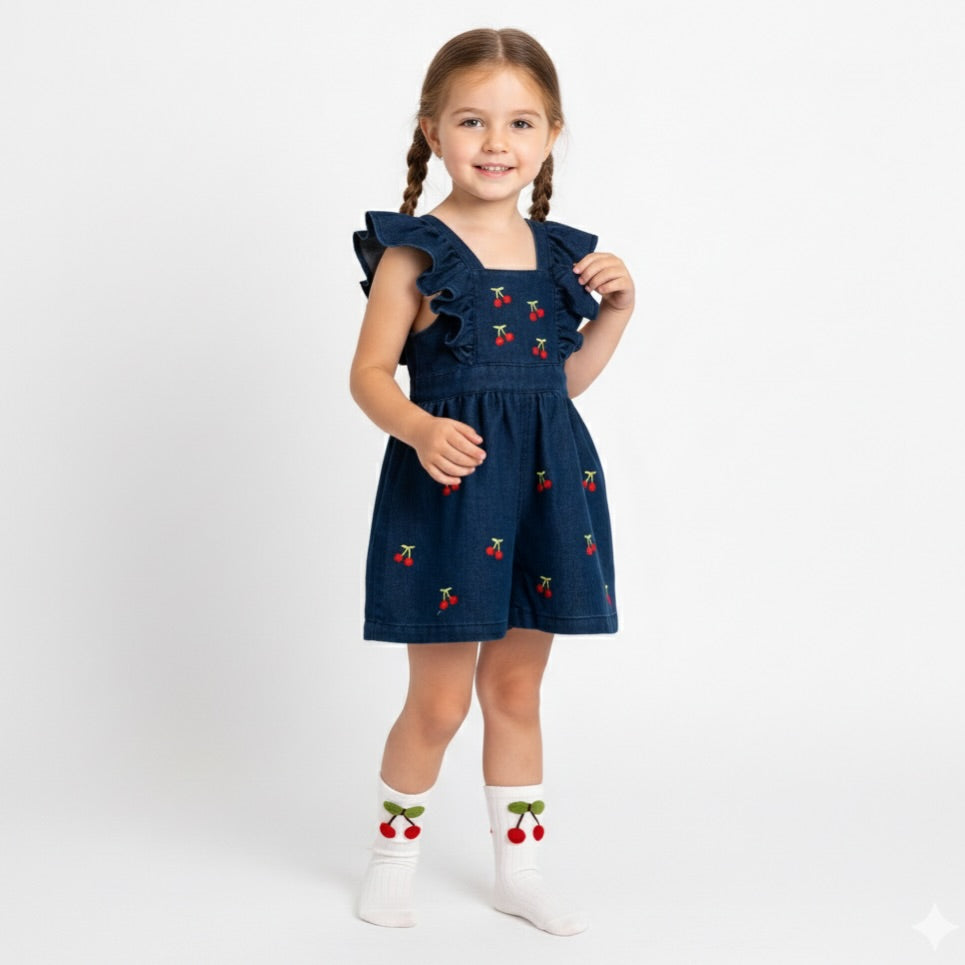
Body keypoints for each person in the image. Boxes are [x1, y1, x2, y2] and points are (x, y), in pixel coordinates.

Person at [349, 27, 634, 935]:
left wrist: (615, 313)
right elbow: (368, 375)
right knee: (437, 702)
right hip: (449, 493)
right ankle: (391, 860)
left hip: (545, 491)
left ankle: (520, 872)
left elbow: (559, 384)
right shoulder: (415, 254)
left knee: (514, 691)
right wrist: (420, 427)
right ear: (432, 131)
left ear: (550, 134)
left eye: (519, 122)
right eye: (472, 120)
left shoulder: (559, 259)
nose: (496, 141)